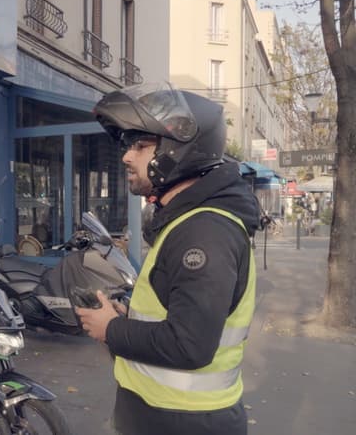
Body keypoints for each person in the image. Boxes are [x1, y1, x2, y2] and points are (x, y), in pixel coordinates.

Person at [75, 82, 260, 435]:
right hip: (165, 414)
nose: (127, 156)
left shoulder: (205, 232)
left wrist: (111, 329)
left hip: (183, 419)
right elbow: (181, 313)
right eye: (128, 145)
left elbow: (190, 344)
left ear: (179, 150)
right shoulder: (188, 223)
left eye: (141, 145)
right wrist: (129, 318)